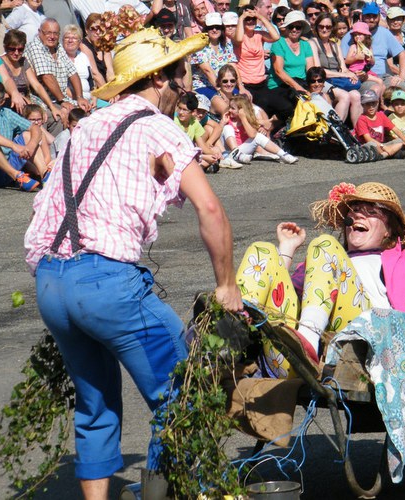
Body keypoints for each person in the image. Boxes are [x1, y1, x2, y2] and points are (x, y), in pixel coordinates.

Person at [24, 29, 242, 500]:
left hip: (50, 281)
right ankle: (188, 493)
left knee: (95, 407)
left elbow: (50, 201)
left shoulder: (86, 126)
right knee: (185, 395)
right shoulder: (155, 124)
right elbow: (210, 210)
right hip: (107, 283)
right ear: (159, 79)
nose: (186, 86)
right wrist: (226, 285)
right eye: (181, 75)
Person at [236, 181, 405, 376]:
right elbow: (279, 291)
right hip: (289, 353)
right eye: (355, 211)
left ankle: (307, 341)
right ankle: (234, 339)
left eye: (372, 212)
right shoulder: (325, 260)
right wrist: (286, 250)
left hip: (367, 351)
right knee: (262, 250)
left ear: (389, 229)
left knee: (324, 244)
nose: (359, 215)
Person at [354, 88, 405, 158]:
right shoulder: (362, 119)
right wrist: (383, 146)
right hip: (368, 145)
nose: (371, 107)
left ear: (377, 103)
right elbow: (368, 139)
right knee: (372, 144)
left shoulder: (381, 115)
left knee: (399, 140)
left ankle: (385, 154)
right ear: (363, 105)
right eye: (368, 104)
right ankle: (391, 153)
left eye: (373, 103)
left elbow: (394, 129)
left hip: (381, 145)